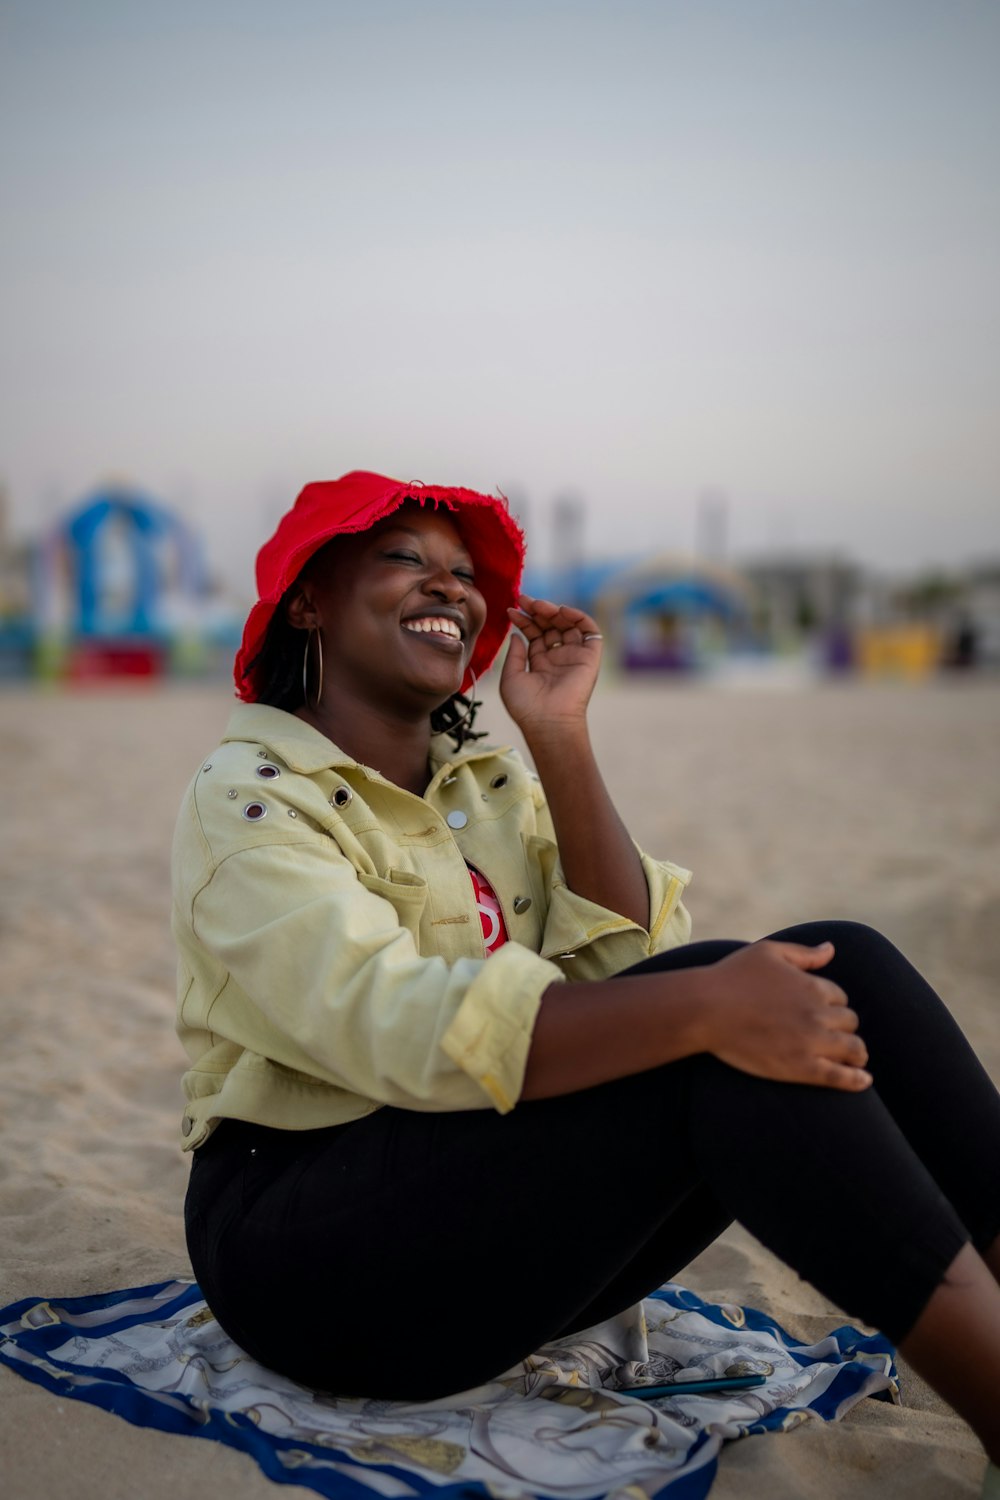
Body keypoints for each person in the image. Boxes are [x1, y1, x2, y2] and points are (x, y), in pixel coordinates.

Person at [173, 470, 1000, 1494]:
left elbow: (626, 981)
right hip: (307, 1255)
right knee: (713, 1026)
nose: (449, 589)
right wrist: (701, 1004)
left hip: (472, 1209)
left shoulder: (484, 787)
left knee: (838, 961)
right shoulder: (251, 798)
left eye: (465, 573)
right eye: (404, 560)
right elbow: (392, 1024)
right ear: (310, 600)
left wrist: (559, 737)